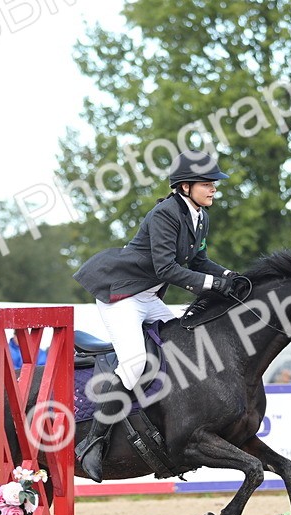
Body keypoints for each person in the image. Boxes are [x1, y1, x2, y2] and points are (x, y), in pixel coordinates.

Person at [72, 149, 246, 481]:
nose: (213, 188)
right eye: (207, 183)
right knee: (135, 364)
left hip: (149, 297)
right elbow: (167, 267)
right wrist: (214, 285)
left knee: (184, 346)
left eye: (214, 183)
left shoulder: (200, 216)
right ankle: (93, 443)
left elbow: (198, 262)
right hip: (122, 296)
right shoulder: (165, 214)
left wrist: (231, 275)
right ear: (185, 186)